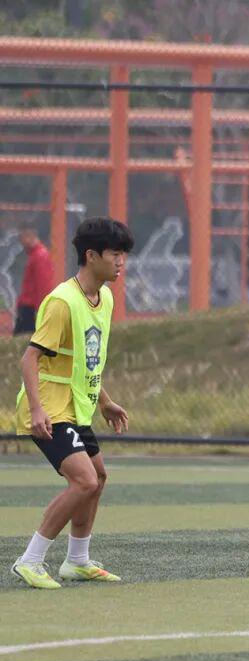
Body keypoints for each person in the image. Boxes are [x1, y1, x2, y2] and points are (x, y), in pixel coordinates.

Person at [11, 217, 133, 589]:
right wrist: (36, 410)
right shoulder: (62, 302)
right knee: (83, 481)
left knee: (98, 478)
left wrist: (105, 401)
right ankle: (29, 561)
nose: (121, 262)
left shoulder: (105, 298)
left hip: (77, 406)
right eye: (114, 254)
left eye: (123, 254)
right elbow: (29, 358)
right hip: (49, 407)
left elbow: (85, 360)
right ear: (91, 255)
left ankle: (77, 561)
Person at [15, 226, 55, 336]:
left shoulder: (39, 256)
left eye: (22, 237)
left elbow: (43, 286)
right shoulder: (35, 255)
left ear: (30, 236)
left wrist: (41, 310)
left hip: (30, 309)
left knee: (23, 338)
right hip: (29, 307)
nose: (21, 242)